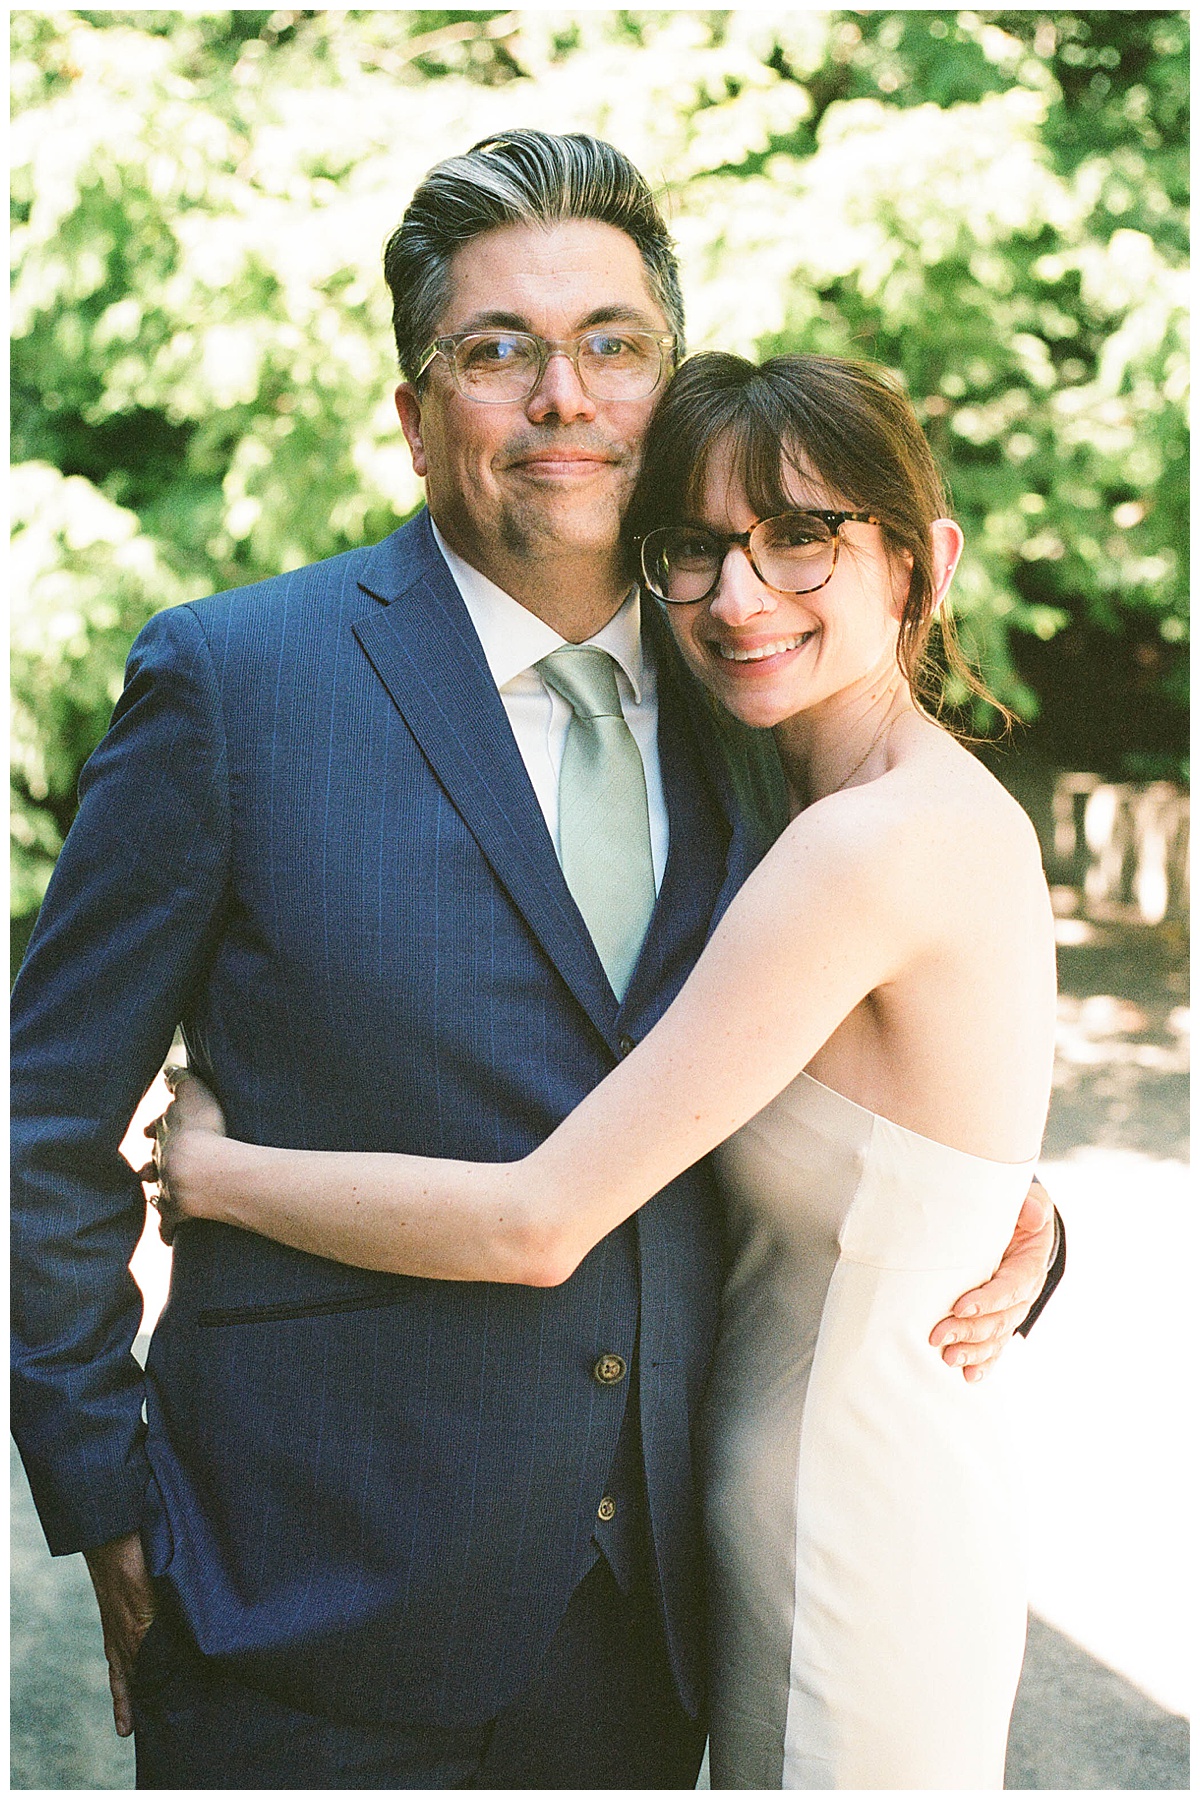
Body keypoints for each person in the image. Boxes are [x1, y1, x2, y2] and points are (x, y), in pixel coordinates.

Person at [10, 131, 1061, 1791]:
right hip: (301, 1604)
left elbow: (873, 1047)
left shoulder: (758, 693)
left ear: (667, 384)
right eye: (496, 351)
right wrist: (101, 1495)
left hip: (651, 1628)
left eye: (613, 346)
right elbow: (42, 1116)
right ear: (416, 412)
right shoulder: (236, 685)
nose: (563, 396)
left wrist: (1009, 1213)